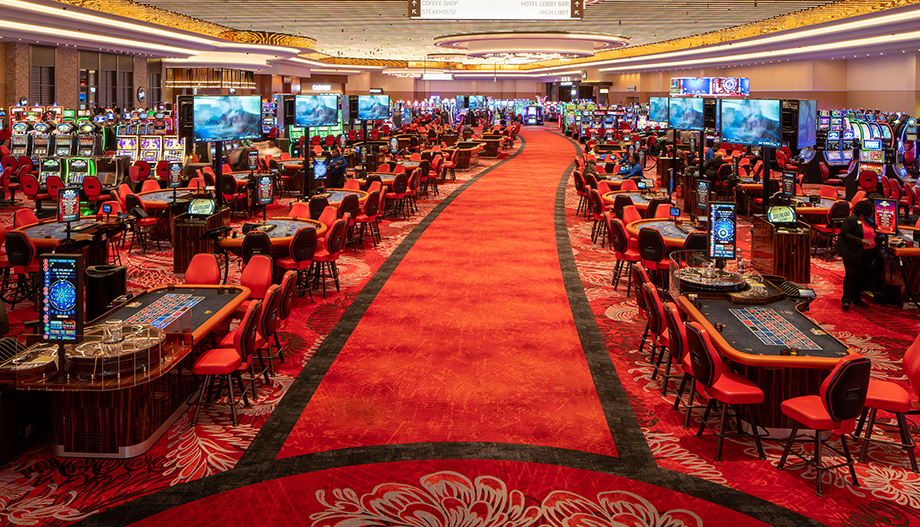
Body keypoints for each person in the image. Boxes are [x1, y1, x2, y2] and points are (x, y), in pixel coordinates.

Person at [835, 199, 882, 310]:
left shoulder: (869, 222)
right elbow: (844, 234)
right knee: (852, 276)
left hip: (867, 253)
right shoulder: (852, 220)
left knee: (862, 276)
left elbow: (874, 234)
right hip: (852, 252)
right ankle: (846, 300)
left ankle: (856, 299)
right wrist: (860, 241)